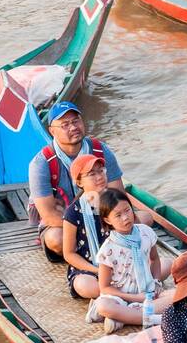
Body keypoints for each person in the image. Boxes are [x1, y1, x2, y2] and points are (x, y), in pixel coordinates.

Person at [28, 102, 123, 263]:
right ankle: (85, 256)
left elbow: (118, 195)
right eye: (65, 124)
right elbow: (49, 215)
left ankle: (94, 248)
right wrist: (90, 229)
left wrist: (108, 222)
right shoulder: (41, 163)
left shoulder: (101, 150)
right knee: (56, 239)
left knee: (144, 218)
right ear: (52, 131)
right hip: (64, 222)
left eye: (76, 121)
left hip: (100, 214)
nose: (73, 127)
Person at [93, 188, 175, 333]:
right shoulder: (108, 249)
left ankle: (124, 318)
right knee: (103, 305)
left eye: (127, 210)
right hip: (120, 296)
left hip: (147, 292)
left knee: (180, 294)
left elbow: (154, 259)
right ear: (107, 220)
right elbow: (104, 288)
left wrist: (156, 282)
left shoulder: (145, 232)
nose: (125, 217)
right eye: (118, 215)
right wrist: (135, 298)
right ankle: (151, 317)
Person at [61, 152, 109, 302]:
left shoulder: (115, 202)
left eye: (101, 171)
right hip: (89, 268)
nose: (99, 177)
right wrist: (97, 270)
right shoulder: (73, 212)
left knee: (165, 265)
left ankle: (113, 296)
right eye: (92, 174)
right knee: (84, 285)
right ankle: (120, 295)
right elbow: (69, 254)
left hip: (119, 263)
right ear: (79, 182)